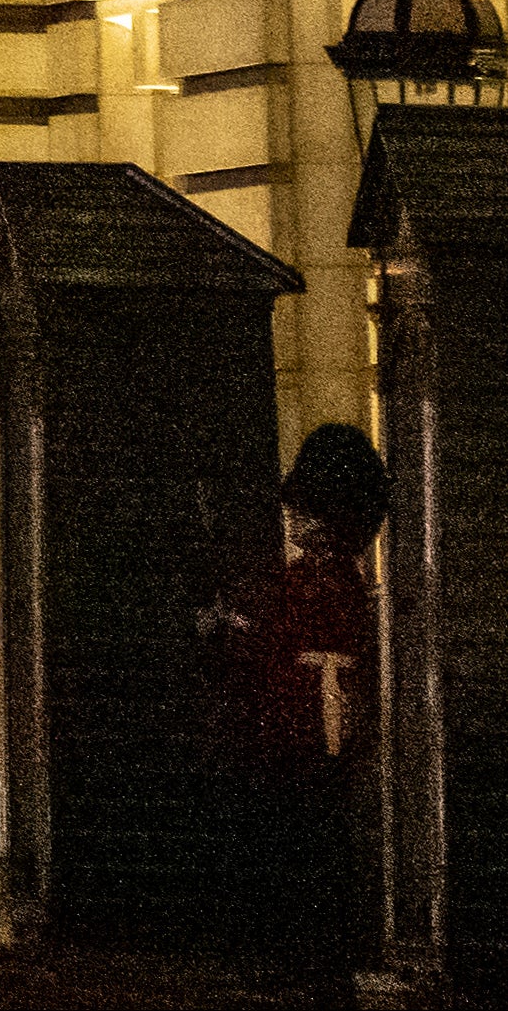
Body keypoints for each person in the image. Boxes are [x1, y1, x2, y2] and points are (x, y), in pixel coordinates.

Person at [213, 424, 386, 1006]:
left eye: (304, 509)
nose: (292, 517)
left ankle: (315, 961)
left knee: (307, 844)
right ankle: (305, 958)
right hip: (304, 714)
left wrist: (236, 624)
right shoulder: (325, 574)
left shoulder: (321, 576)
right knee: (304, 844)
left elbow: (280, 630)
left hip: (311, 719)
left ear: (325, 515)